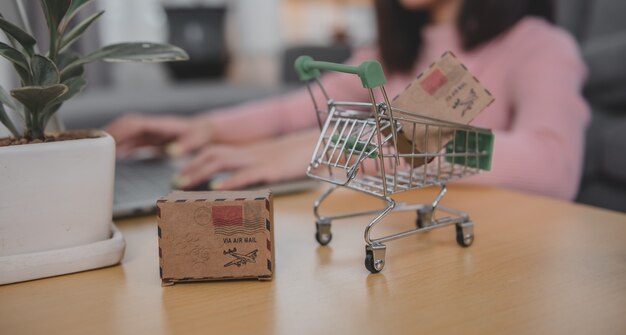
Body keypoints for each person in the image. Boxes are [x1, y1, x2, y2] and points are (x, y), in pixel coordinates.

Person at [106, 0, 589, 200]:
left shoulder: (538, 46)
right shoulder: (391, 53)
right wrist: (204, 127)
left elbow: (553, 162)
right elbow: (293, 110)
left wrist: (346, 146)